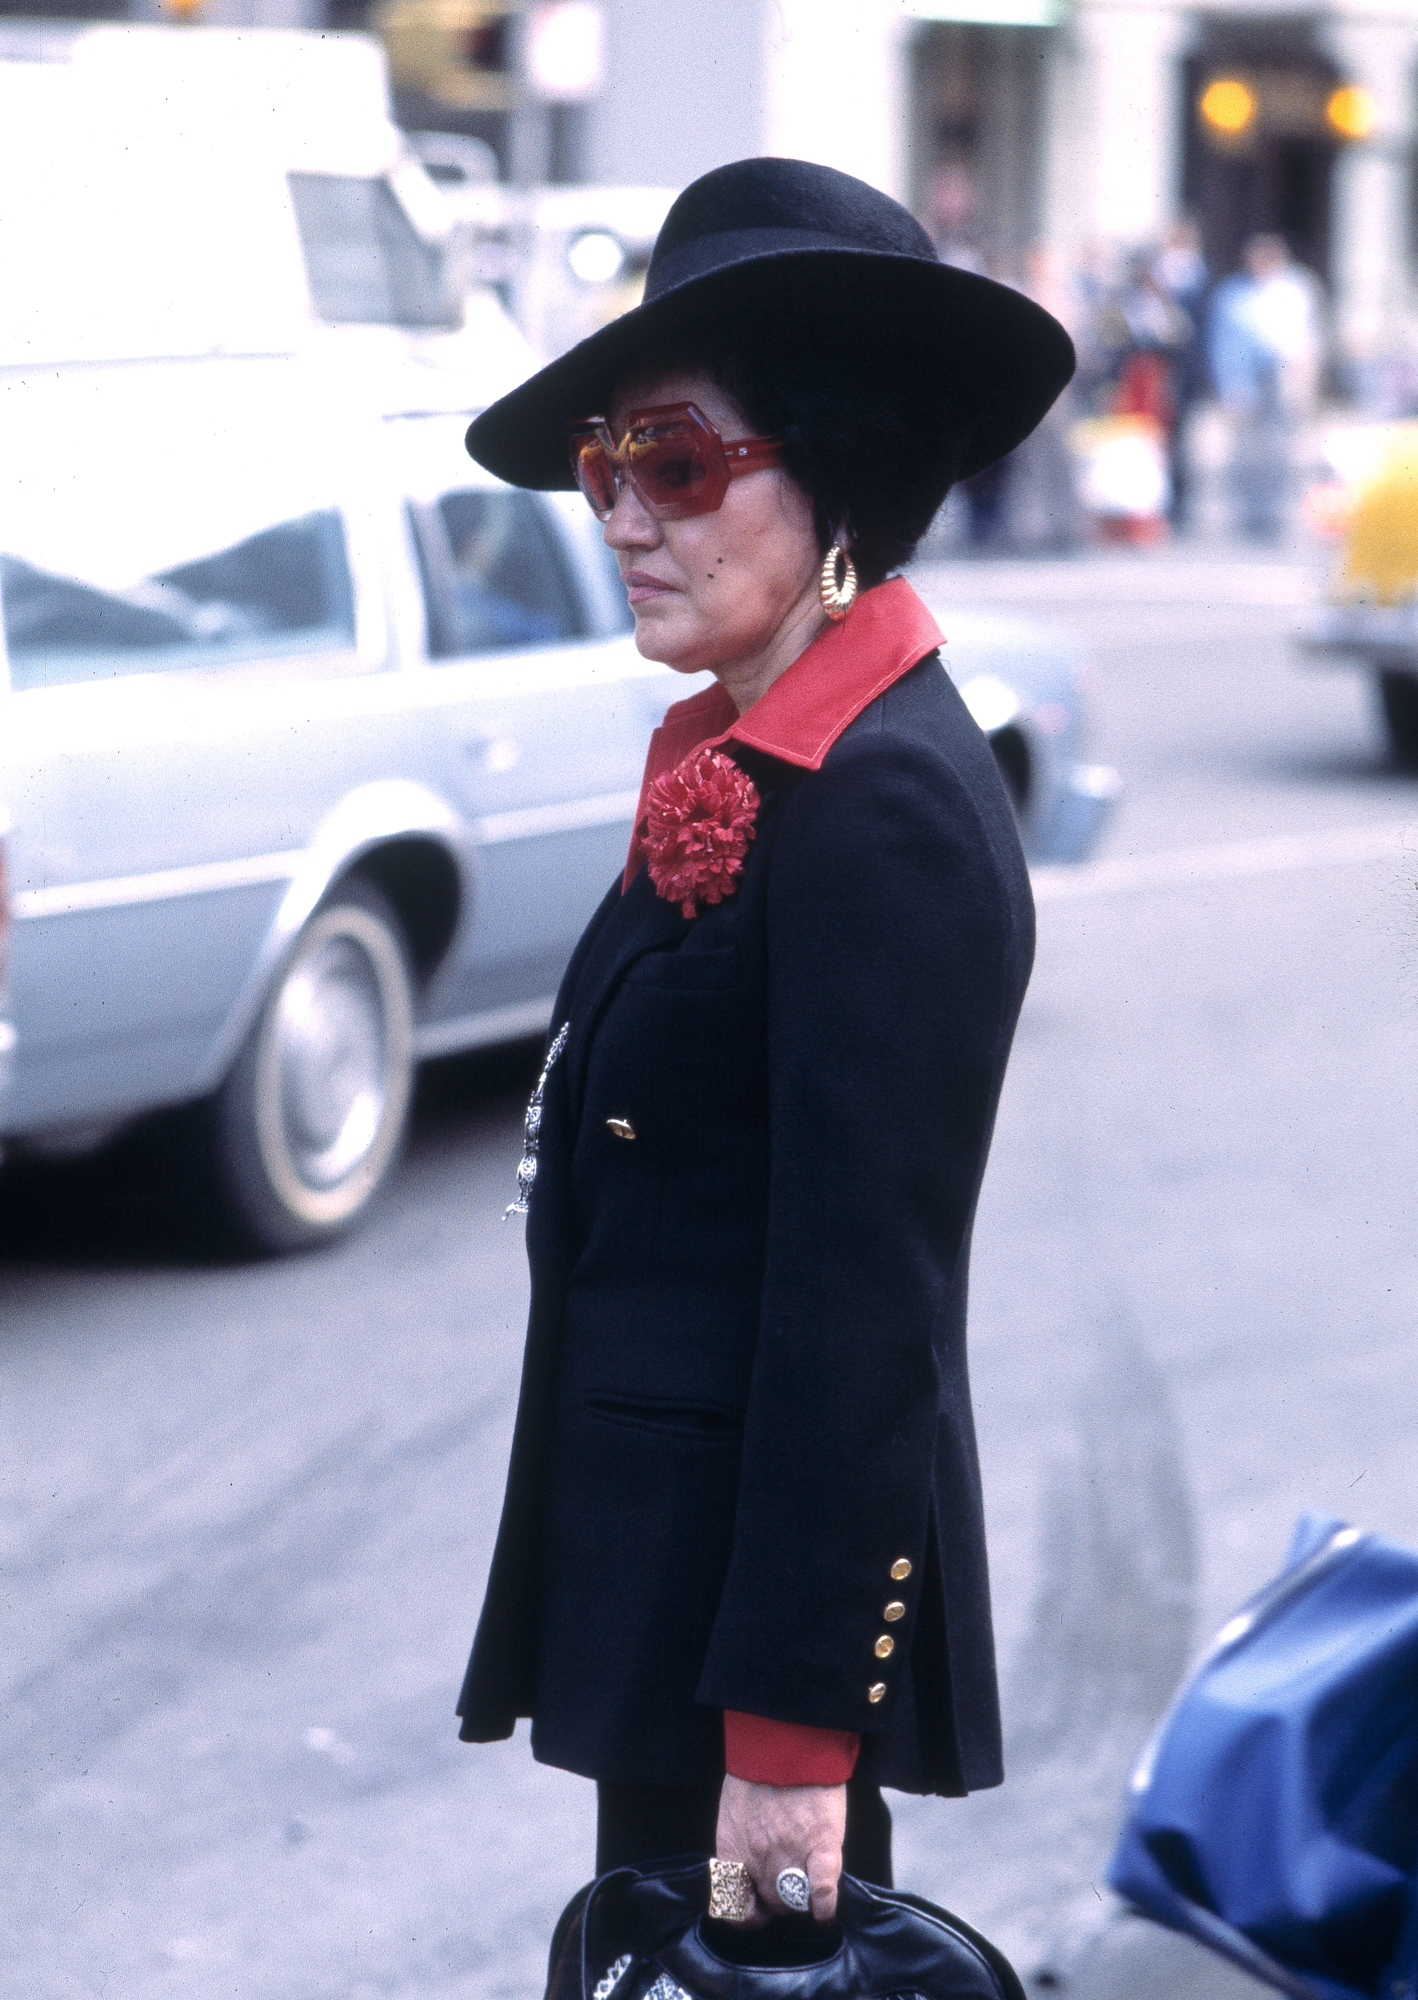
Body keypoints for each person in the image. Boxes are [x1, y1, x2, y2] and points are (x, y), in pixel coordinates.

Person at [455, 158, 1073, 1923]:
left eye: (674, 462)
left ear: (837, 473)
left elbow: (862, 1313)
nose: (621, 516)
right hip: (672, 1582)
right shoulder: (759, 749)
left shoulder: (883, 803)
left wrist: (794, 1740)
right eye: (605, 468)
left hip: (753, 1637)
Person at [1208, 233, 1324, 540]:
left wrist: (1307, 380)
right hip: (1247, 376)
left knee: (1281, 446)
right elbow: (1223, 344)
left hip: (1285, 375)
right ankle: (1250, 513)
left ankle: (1274, 513)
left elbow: (1310, 336)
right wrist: (1230, 386)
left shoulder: (1297, 288)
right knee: (1246, 448)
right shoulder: (1233, 294)